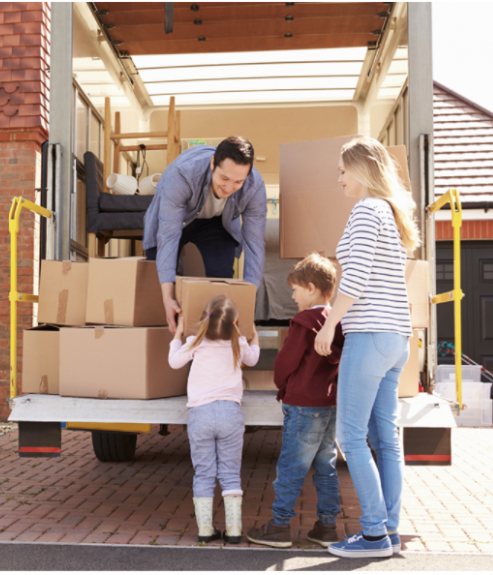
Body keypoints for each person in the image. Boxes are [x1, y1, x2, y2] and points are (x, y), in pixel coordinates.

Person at [314, 137, 420, 558]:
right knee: (385, 439)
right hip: (396, 339)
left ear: (361, 169)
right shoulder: (390, 214)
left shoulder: (365, 211)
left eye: (342, 170)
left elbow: (354, 279)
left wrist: (329, 325)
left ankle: (374, 534)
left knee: (350, 436)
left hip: (370, 335)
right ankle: (388, 531)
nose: (339, 179)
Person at [246, 253, 345, 549]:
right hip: (329, 404)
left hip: (303, 405)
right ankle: (327, 527)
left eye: (295, 289)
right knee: (326, 467)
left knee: (291, 467)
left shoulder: (304, 322)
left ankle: (278, 527)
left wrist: (282, 385)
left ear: (311, 288)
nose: (292, 295)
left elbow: (285, 362)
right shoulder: (336, 322)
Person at [144, 136, 268, 334]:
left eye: (238, 182)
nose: (228, 188)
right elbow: (168, 236)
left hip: (217, 222)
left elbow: (254, 244)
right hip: (177, 218)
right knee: (158, 284)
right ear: (213, 164)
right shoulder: (182, 175)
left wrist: (247, 304)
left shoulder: (254, 186)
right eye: (224, 178)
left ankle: (215, 342)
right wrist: (168, 298)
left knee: (221, 276)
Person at [168, 295, 260, 544]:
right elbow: (253, 359)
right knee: (230, 473)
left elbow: (174, 362)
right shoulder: (238, 343)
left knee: (204, 473)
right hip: (231, 414)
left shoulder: (195, 342)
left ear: (203, 320)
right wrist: (254, 336)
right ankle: (233, 530)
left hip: (201, 414)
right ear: (236, 322)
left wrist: (177, 334)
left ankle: (206, 529)